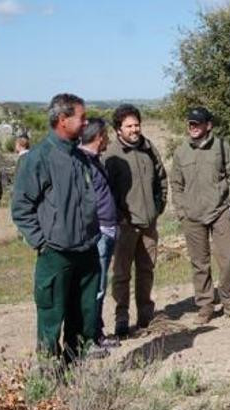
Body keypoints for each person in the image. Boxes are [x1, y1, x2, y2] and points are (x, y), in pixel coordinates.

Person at [11, 93, 105, 363]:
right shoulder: (39, 158)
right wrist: (42, 242)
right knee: (51, 321)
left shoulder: (79, 157)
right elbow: (21, 207)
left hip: (86, 252)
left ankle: (74, 377)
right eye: (82, 118)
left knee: (84, 318)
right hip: (56, 254)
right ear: (63, 120)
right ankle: (49, 384)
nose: (86, 123)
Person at [170, 107, 230, 325]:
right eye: (190, 124)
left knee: (229, 255)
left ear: (208, 125)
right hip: (192, 215)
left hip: (220, 211)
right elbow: (176, 184)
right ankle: (205, 305)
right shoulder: (181, 152)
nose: (192, 127)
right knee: (199, 262)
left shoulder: (222, 147)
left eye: (197, 123)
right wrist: (181, 210)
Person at [104, 104, 168, 338]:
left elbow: (161, 178)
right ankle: (122, 318)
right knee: (121, 273)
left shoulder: (148, 148)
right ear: (118, 129)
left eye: (137, 124)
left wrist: (157, 207)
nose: (134, 129)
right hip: (125, 226)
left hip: (149, 223)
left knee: (146, 269)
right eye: (129, 126)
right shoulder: (111, 155)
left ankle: (145, 316)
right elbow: (106, 192)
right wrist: (119, 218)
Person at [78, 118, 121, 348]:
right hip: (98, 232)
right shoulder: (83, 163)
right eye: (106, 135)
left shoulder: (95, 161)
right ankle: (88, 339)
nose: (108, 139)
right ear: (99, 137)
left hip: (108, 229)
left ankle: (97, 332)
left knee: (100, 286)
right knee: (95, 287)